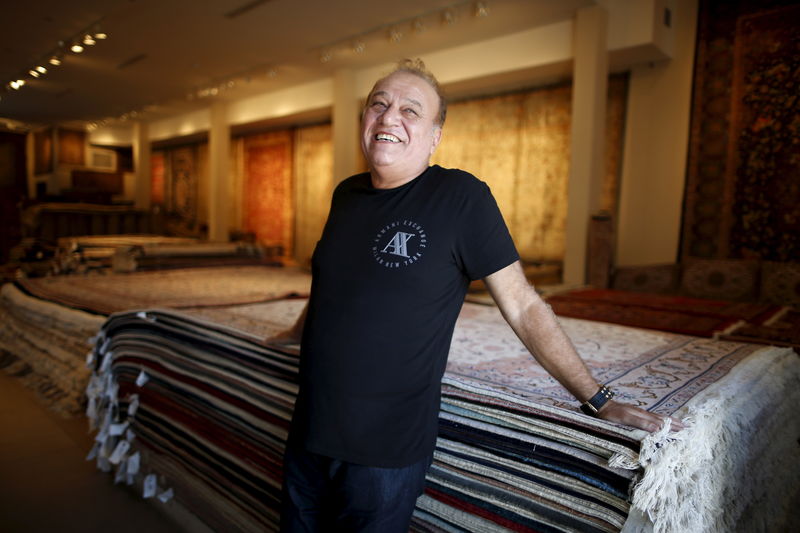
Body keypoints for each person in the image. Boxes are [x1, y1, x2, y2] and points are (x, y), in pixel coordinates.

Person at [268, 58, 682, 532]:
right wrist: (293, 332)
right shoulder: (346, 194)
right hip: (309, 429)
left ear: (435, 136)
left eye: (410, 110)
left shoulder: (460, 197)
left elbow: (524, 306)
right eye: (377, 105)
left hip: (382, 449)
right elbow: (332, 284)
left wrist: (598, 399)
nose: (388, 117)